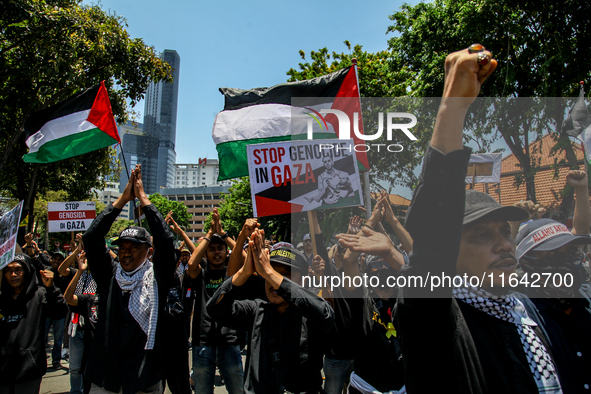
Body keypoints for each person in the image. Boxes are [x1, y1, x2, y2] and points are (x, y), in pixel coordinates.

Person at [391, 45, 562, 393]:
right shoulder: (436, 322)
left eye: (504, 231)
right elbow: (431, 245)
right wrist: (452, 107)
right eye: (481, 236)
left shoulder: (524, 311)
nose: (504, 244)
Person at [82, 164, 176, 394]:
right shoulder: (109, 275)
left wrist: (143, 198)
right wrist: (123, 200)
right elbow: (92, 237)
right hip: (107, 376)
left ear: (149, 252)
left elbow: (165, 240)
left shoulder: (158, 278)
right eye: (122, 247)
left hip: (144, 376)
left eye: (135, 248)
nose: (126, 252)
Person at [207, 230, 334, 394]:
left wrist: (268, 271)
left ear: (302, 281)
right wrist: (245, 271)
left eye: (285, 275)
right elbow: (215, 309)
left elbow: (326, 314)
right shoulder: (256, 311)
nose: (274, 282)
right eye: (271, 273)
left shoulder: (309, 314)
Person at [516, 217, 591, 393]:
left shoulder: (587, 303)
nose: (567, 261)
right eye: (553, 254)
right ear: (528, 262)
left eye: (572, 251)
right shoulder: (518, 318)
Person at [184, 208, 243, 394]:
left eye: (220, 248)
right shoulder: (200, 275)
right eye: (212, 249)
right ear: (206, 253)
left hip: (229, 341)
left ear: (227, 251)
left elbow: (246, 259)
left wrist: (224, 234)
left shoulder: (232, 274)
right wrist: (209, 234)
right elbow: (192, 264)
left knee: (237, 390)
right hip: (203, 342)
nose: (216, 252)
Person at [0, 253, 68, 394]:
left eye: (18, 270)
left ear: (27, 271)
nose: (13, 274)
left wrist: (51, 289)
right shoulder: (1, 300)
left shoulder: (40, 295)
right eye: (8, 270)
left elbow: (59, 312)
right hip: (3, 372)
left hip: (28, 371)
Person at [63, 251, 98, 394]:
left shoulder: (101, 275)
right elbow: (69, 298)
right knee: (75, 367)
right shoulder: (77, 273)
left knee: (92, 365)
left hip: (94, 326)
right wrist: (79, 270)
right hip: (76, 326)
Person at [45, 250, 73, 369]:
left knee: (58, 339)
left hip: (59, 311)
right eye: (55, 259)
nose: (56, 261)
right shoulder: (45, 271)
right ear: (50, 260)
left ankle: (56, 361)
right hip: (46, 310)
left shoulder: (65, 274)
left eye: (59, 259)